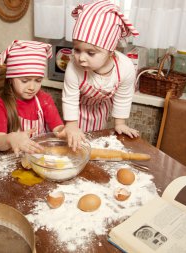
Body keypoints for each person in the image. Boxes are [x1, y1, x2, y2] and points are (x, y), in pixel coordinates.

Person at [62, 0, 140, 151]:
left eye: (90, 53)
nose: (81, 58)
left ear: (111, 51)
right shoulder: (73, 67)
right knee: (74, 147)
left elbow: (123, 97)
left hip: (100, 111)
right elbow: (70, 98)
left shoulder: (125, 67)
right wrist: (71, 125)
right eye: (77, 50)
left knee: (94, 145)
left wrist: (120, 124)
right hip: (76, 111)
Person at [0, 40, 64, 156]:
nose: (32, 87)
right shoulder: (0, 104)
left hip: (40, 156)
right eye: (25, 81)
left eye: (38, 80)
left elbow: (58, 127)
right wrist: (11, 138)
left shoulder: (44, 100)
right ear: (10, 79)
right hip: (13, 159)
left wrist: (65, 131)